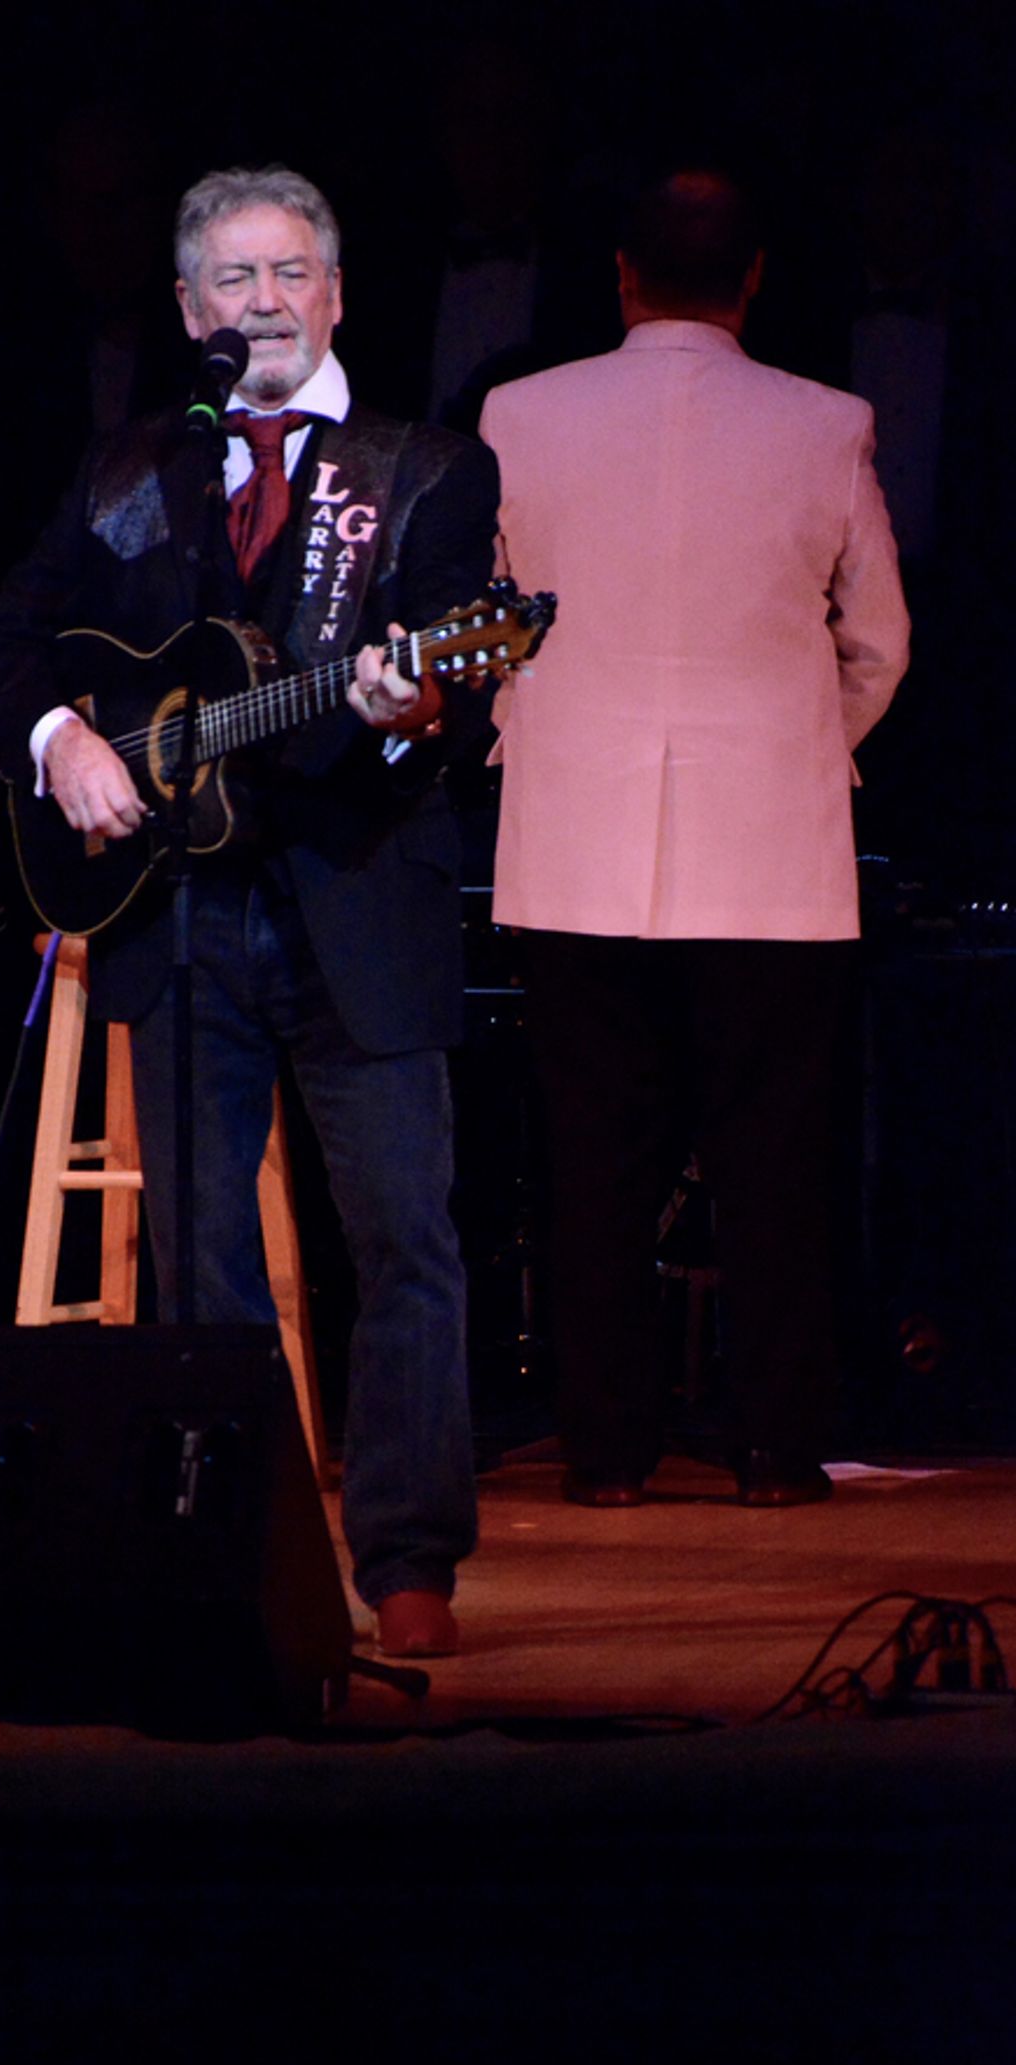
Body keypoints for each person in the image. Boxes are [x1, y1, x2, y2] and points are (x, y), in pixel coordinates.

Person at [0, 165, 500, 1654]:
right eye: (232, 281)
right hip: (174, 915)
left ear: (334, 294)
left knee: (402, 1235)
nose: (262, 304)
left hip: (360, 897)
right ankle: (240, 1555)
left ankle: (408, 1563)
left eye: (288, 275)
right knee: (198, 1260)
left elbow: (447, 693)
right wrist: (64, 745)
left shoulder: (429, 468)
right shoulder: (130, 471)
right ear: (190, 308)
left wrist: (410, 704)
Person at [479, 165, 910, 1508]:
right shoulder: (828, 422)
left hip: (573, 839)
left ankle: (607, 1451)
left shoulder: (519, 413)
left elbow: (483, 624)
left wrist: (534, 728)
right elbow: (882, 645)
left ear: (621, 274)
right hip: (772, 861)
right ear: (755, 279)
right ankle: (779, 1450)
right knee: (773, 1162)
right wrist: (798, 749)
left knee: (595, 1164)